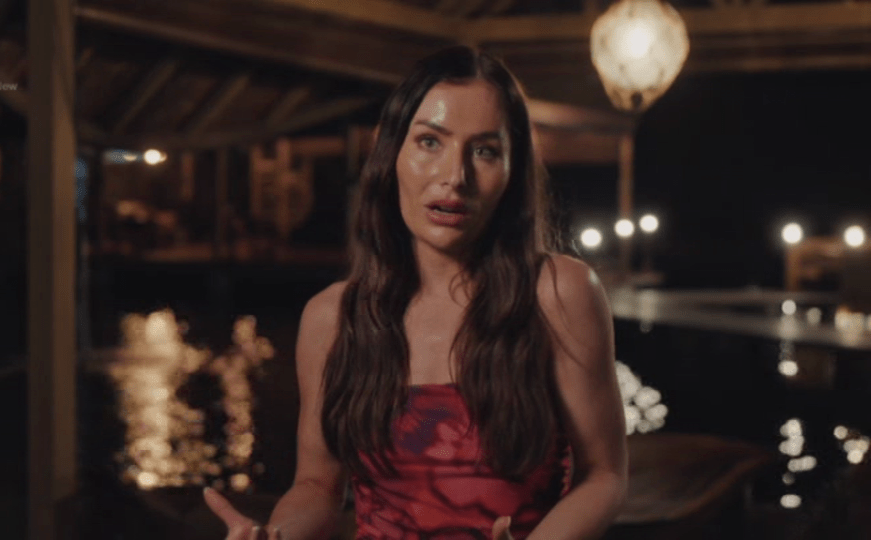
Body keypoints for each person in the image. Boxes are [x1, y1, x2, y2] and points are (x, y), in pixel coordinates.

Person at [204, 45, 627, 540]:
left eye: (485, 151)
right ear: (392, 155)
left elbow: (603, 475)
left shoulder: (559, 293)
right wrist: (276, 535)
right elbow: (317, 486)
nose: (455, 176)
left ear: (512, 173)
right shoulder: (333, 317)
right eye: (430, 142)